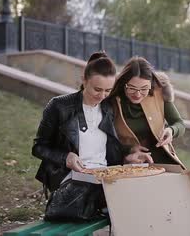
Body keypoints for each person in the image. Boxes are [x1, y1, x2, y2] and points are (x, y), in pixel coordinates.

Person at [31, 51, 148, 221]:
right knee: (116, 204)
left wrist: (130, 155)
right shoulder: (59, 106)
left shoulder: (108, 107)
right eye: (97, 89)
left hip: (104, 178)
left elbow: (109, 147)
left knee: (144, 196)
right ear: (84, 80)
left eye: (108, 90)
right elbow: (38, 147)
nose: (102, 96)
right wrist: (66, 157)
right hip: (72, 179)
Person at [108, 56, 186, 167]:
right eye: (132, 88)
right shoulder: (112, 100)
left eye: (144, 88)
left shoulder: (159, 93)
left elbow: (179, 123)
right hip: (128, 164)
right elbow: (104, 139)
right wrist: (129, 149)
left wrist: (171, 131)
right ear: (124, 84)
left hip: (163, 163)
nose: (138, 94)